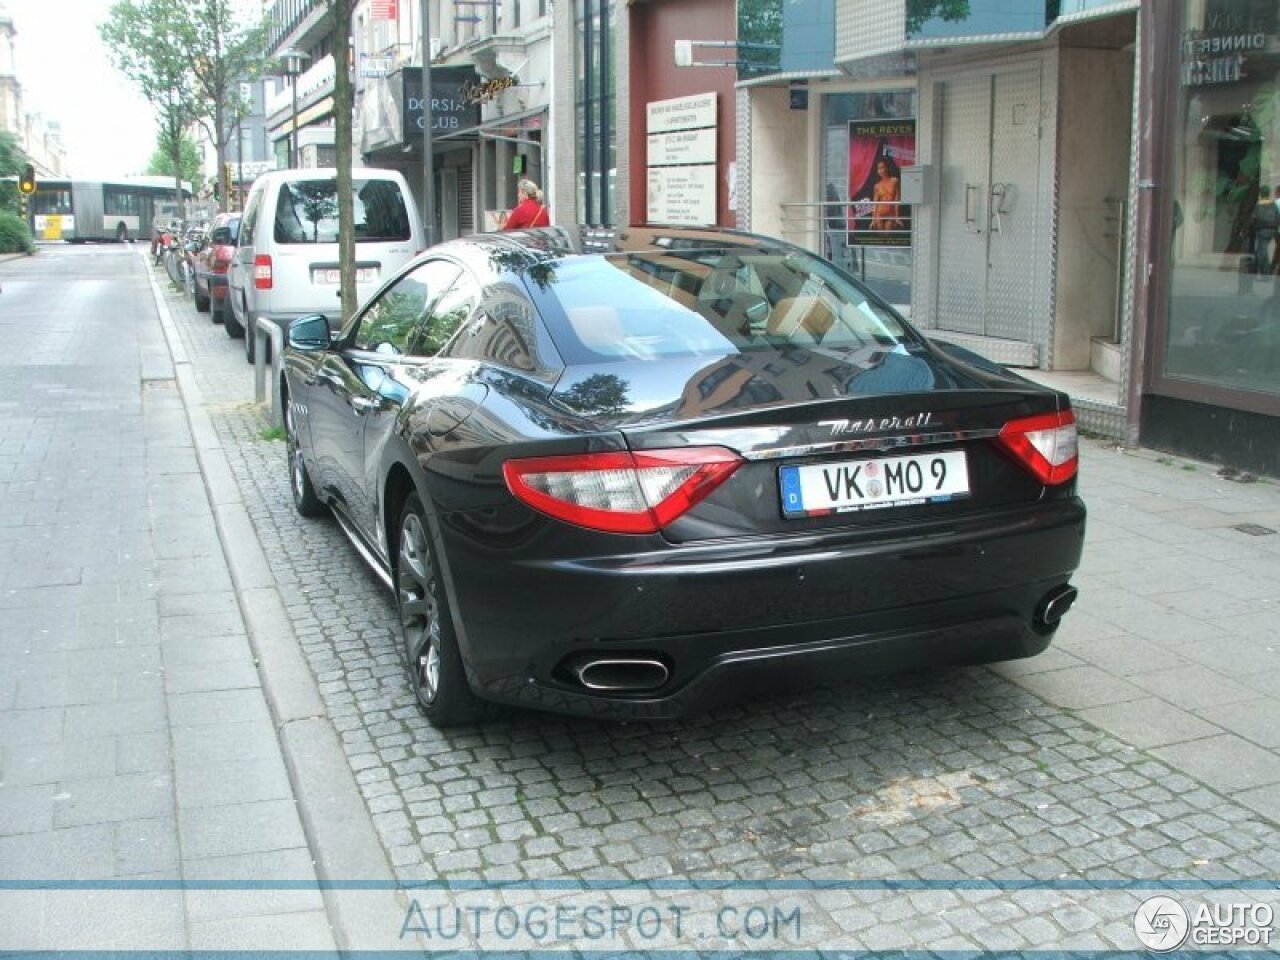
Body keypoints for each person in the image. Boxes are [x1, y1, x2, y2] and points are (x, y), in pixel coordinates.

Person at [870, 156, 903, 233]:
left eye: (882, 167)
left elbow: (897, 200)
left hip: (890, 214)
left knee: (888, 235)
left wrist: (897, 217)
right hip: (879, 214)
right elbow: (875, 204)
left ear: (887, 168)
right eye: (878, 169)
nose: (880, 171)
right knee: (881, 237)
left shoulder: (894, 181)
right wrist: (873, 220)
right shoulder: (877, 186)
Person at [1251, 185, 1278, 275]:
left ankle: (1266, 273)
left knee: (1262, 251)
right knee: (1260, 249)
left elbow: (1254, 218)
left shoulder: (1259, 205)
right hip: (1272, 230)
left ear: (1261, 194)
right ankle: (1256, 270)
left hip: (1262, 231)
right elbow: (1278, 217)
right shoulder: (1273, 204)